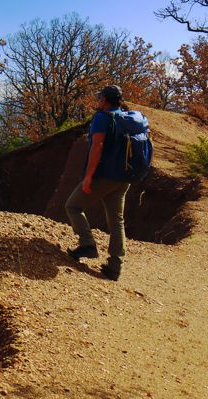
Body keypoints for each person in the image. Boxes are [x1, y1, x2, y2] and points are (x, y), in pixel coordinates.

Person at [65, 85, 132, 281]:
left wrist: (88, 177)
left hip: (104, 176)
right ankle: (115, 265)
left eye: (100, 97)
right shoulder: (126, 116)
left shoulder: (103, 118)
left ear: (105, 100)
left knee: (73, 206)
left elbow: (97, 147)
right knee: (116, 219)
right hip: (124, 177)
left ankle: (88, 245)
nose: (98, 100)